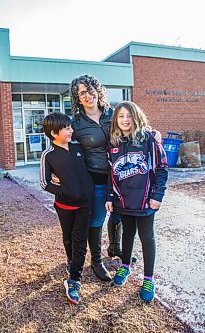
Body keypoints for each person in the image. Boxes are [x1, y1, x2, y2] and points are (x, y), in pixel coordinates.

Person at [105, 101, 168, 302]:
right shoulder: (113, 144)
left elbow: (161, 168)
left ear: (136, 117)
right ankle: (125, 267)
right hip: (123, 199)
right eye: (121, 116)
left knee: (146, 237)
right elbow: (110, 174)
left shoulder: (149, 139)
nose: (125, 120)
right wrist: (109, 196)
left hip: (145, 201)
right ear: (116, 120)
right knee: (127, 233)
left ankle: (148, 278)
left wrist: (157, 196)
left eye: (129, 116)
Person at [68, 74, 120, 282]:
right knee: (97, 219)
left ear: (98, 91)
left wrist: (151, 133)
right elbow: (66, 147)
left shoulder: (112, 114)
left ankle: (116, 249)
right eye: (82, 93)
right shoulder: (77, 123)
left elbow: (132, 129)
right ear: (77, 98)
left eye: (90, 90)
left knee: (120, 215)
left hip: (119, 175)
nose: (88, 96)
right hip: (95, 178)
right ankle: (96, 261)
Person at [40, 112, 94, 305]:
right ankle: (71, 261)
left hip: (85, 204)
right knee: (68, 237)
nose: (71, 130)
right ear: (54, 133)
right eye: (67, 128)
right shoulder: (49, 155)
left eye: (71, 127)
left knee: (80, 240)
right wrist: (63, 191)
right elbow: (44, 183)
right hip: (64, 206)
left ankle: (74, 280)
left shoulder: (78, 146)